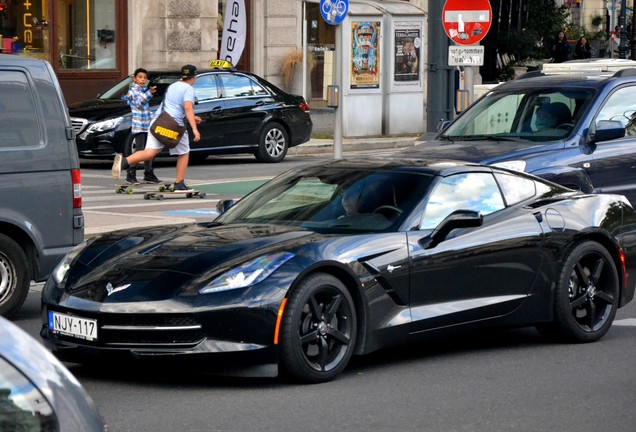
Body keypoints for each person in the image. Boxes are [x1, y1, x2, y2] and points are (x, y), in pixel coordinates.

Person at [112, 64, 201, 191]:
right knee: (184, 152)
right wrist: (194, 129)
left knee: (149, 153)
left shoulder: (172, 86)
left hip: (158, 123)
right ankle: (179, 183)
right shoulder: (188, 89)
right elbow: (187, 107)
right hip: (173, 126)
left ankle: (124, 162)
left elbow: (173, 107)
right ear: (194, 77)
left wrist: (192, 117)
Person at [122, 67, 162, 185]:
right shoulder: (133, 91)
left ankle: (148, 173)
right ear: (134, 79)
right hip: (139, 125)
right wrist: (149, 93)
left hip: (147, 125)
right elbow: (140, 103)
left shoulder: (143, 90)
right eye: (140, 77)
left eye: (144, 78)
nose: (142, 79)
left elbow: (145, 109)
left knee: (149, 149)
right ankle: (131, 173)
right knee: (139, 150)